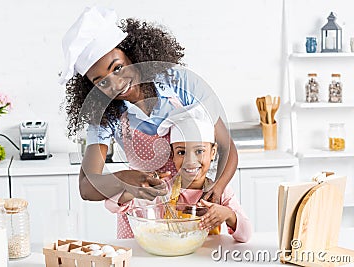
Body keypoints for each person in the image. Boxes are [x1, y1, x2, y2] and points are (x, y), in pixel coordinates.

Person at [60, 6, 238, 212]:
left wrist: (218, 187)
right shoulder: (106, 116)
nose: (116, 84)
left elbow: (227, 146)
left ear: (132, 55)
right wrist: (123, 178)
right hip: (144, 215)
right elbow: (86, 187)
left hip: (191, 206)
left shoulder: (179, 83)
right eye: (101, 82)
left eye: (117, 68)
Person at [105, 105, 251, 242]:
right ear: (172, 155)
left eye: (199, 151)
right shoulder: (163, 188)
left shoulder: (221, 193)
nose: (190, 160)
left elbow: (246, 234)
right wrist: (135, 190)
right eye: (181, 152)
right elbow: (111, 204)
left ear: (213, 152)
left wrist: (228, 215)